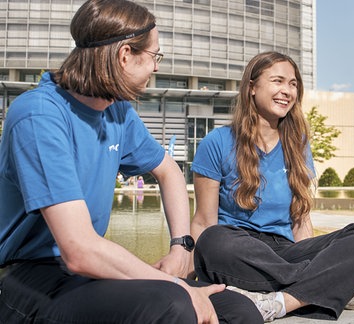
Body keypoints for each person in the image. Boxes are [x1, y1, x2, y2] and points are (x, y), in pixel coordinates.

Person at [0, 1, 261, 323]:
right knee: (173, 303)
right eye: (154, 56)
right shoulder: (39, 116)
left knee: (236, 309)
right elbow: (79, 250)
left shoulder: (117, 112)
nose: (156, 68)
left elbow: (168, 171)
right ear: (125, 55)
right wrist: (177, 286)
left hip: (86, 274)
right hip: (28, 276)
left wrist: (181, 247)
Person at [190, 51, 354, 322]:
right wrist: (185, 277)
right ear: (251, 88)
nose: (287, 91)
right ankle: (335, 284)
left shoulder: (297, 144)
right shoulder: (216, 142)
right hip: (240, 249)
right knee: (213, 241)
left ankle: (282, 301)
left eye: (293, 84)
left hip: (287, 251)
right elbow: (204, 222)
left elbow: (301, 220)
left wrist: (314, 254)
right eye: (278, 81)